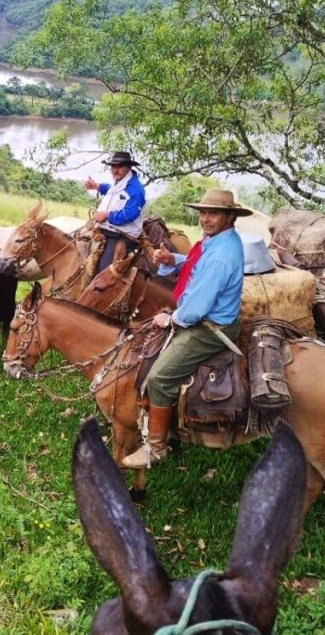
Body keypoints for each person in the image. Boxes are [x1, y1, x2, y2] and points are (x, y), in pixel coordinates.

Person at [121, 188, 250, 468]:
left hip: (209, 327)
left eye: (213, 213)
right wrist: (173, 261)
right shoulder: (214, 243)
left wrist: (172, 319)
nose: (205, 219)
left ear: (230, 217)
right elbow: (196, 266)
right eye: (203, 212)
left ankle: (156, 447)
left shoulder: (222, 254)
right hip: (202, 316)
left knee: (160, 378)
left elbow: (198, 306)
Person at [84, 151, 146, 274]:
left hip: (120, 235)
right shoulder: (119, 181)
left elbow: (130, 214)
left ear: (128, 167)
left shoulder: (136, 189)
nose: (115, 170)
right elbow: (113, 190)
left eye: (120, 166)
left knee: (104, 271)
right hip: (105, 229)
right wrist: (97, 186)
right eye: (113, 166)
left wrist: (107, 215)